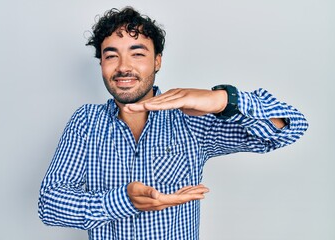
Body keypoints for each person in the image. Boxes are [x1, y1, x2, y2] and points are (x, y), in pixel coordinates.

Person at [38, 6, 308, 240]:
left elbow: (287, 129)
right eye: (111, 55)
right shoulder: (86, 121)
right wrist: (121, 201)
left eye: (137, 53)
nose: (123, 66)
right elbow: (49, 205)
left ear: (157, 61)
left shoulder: (190, 120)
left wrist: (225, 100)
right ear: (101, 65)